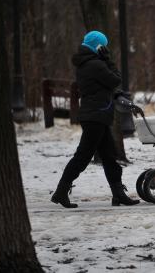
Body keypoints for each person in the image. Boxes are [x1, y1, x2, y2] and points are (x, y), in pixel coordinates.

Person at [51, 31, 142, 208]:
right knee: (83, 156)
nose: (106, 49)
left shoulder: (85, 63)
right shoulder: (96, 64)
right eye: (104, 46)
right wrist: (108, 60)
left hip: (95, 115)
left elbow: (101, 87)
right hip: (96, 115)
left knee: (109, 156)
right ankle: (61, 192)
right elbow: (115, 79)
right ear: (98, 46)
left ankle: (118, 195)